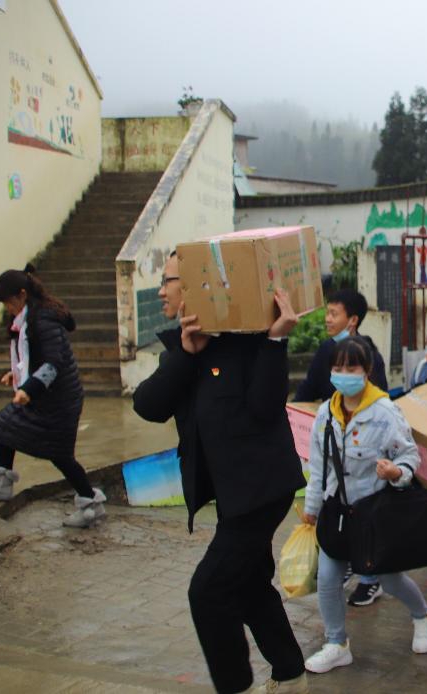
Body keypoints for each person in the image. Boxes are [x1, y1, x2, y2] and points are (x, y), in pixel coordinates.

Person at [132, 252, 308, 694]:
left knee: (207, 591)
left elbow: (265, 408)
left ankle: (236, 686)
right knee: (249, 585)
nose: (161, 291)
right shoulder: (185, 346)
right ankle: (290, 673)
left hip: (262, 489)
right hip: (231, 493)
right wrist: (187, 354)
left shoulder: (246, 342)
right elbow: (148, 406)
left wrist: (275, 341)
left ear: (194, 285)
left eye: (168, 281)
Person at [301, 336, 427, 674]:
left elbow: (409, 456)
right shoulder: (325, 413)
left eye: (351, 368)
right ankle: (336, 644)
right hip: (337, 511)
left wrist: (396, 472)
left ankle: (423, 616)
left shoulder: (385, 412)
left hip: (374, 514)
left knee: (388, 579)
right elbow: (318, 466)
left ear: (367, 370)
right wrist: (311, 508)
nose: (343, 374)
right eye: (337, 368)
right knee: (328, 578)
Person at [0, 266, 105, 529]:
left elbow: (53, 363)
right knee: (4, 426)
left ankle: (90, 503)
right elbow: (34, 357)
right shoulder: (28, 319)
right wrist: (17, 374)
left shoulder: (43, 320)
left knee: (61, 455)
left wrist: (28, 389)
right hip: (46, 394)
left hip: (60, 399)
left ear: (22, 295)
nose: (8, 308)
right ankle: (2, 482)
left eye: (9, 302)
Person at [294, 288, 387, 606]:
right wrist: (294, 412)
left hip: (363, 450)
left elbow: (380, 397)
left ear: (353, 320)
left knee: (364, 514)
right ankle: (346, 563)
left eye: (334, 313)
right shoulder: (325, 350)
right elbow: (308, 388)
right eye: (327, 312)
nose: (327, 319)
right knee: (338, 511)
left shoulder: (369, 353)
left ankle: (372, 578)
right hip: (333, 441)